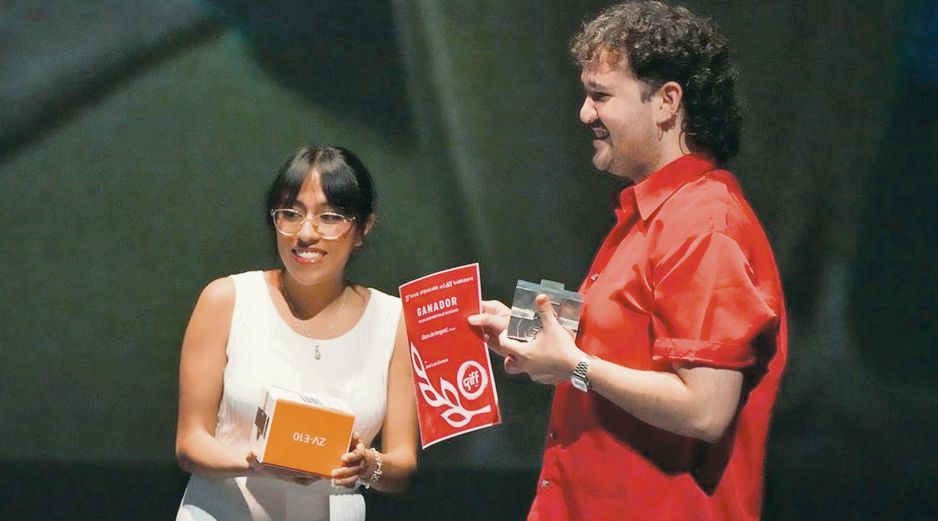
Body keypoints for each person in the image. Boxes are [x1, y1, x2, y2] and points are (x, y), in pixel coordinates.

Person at [469, 2, 787, 520]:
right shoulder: (648, 216)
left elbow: (705, 408)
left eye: (600, 96)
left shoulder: (703, 224)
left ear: (666, 102)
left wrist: (573, 363)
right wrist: (533, 337)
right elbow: (618, 360)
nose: (585, 114)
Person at [175, 145, 417, 521]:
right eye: (291, 213)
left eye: (330, 217)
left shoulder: (394, 319)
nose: (306, 233)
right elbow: (190, 442)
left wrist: (368, 465)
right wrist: (254, 463)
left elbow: (402, 464)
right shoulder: (228, 299)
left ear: (363, 228)